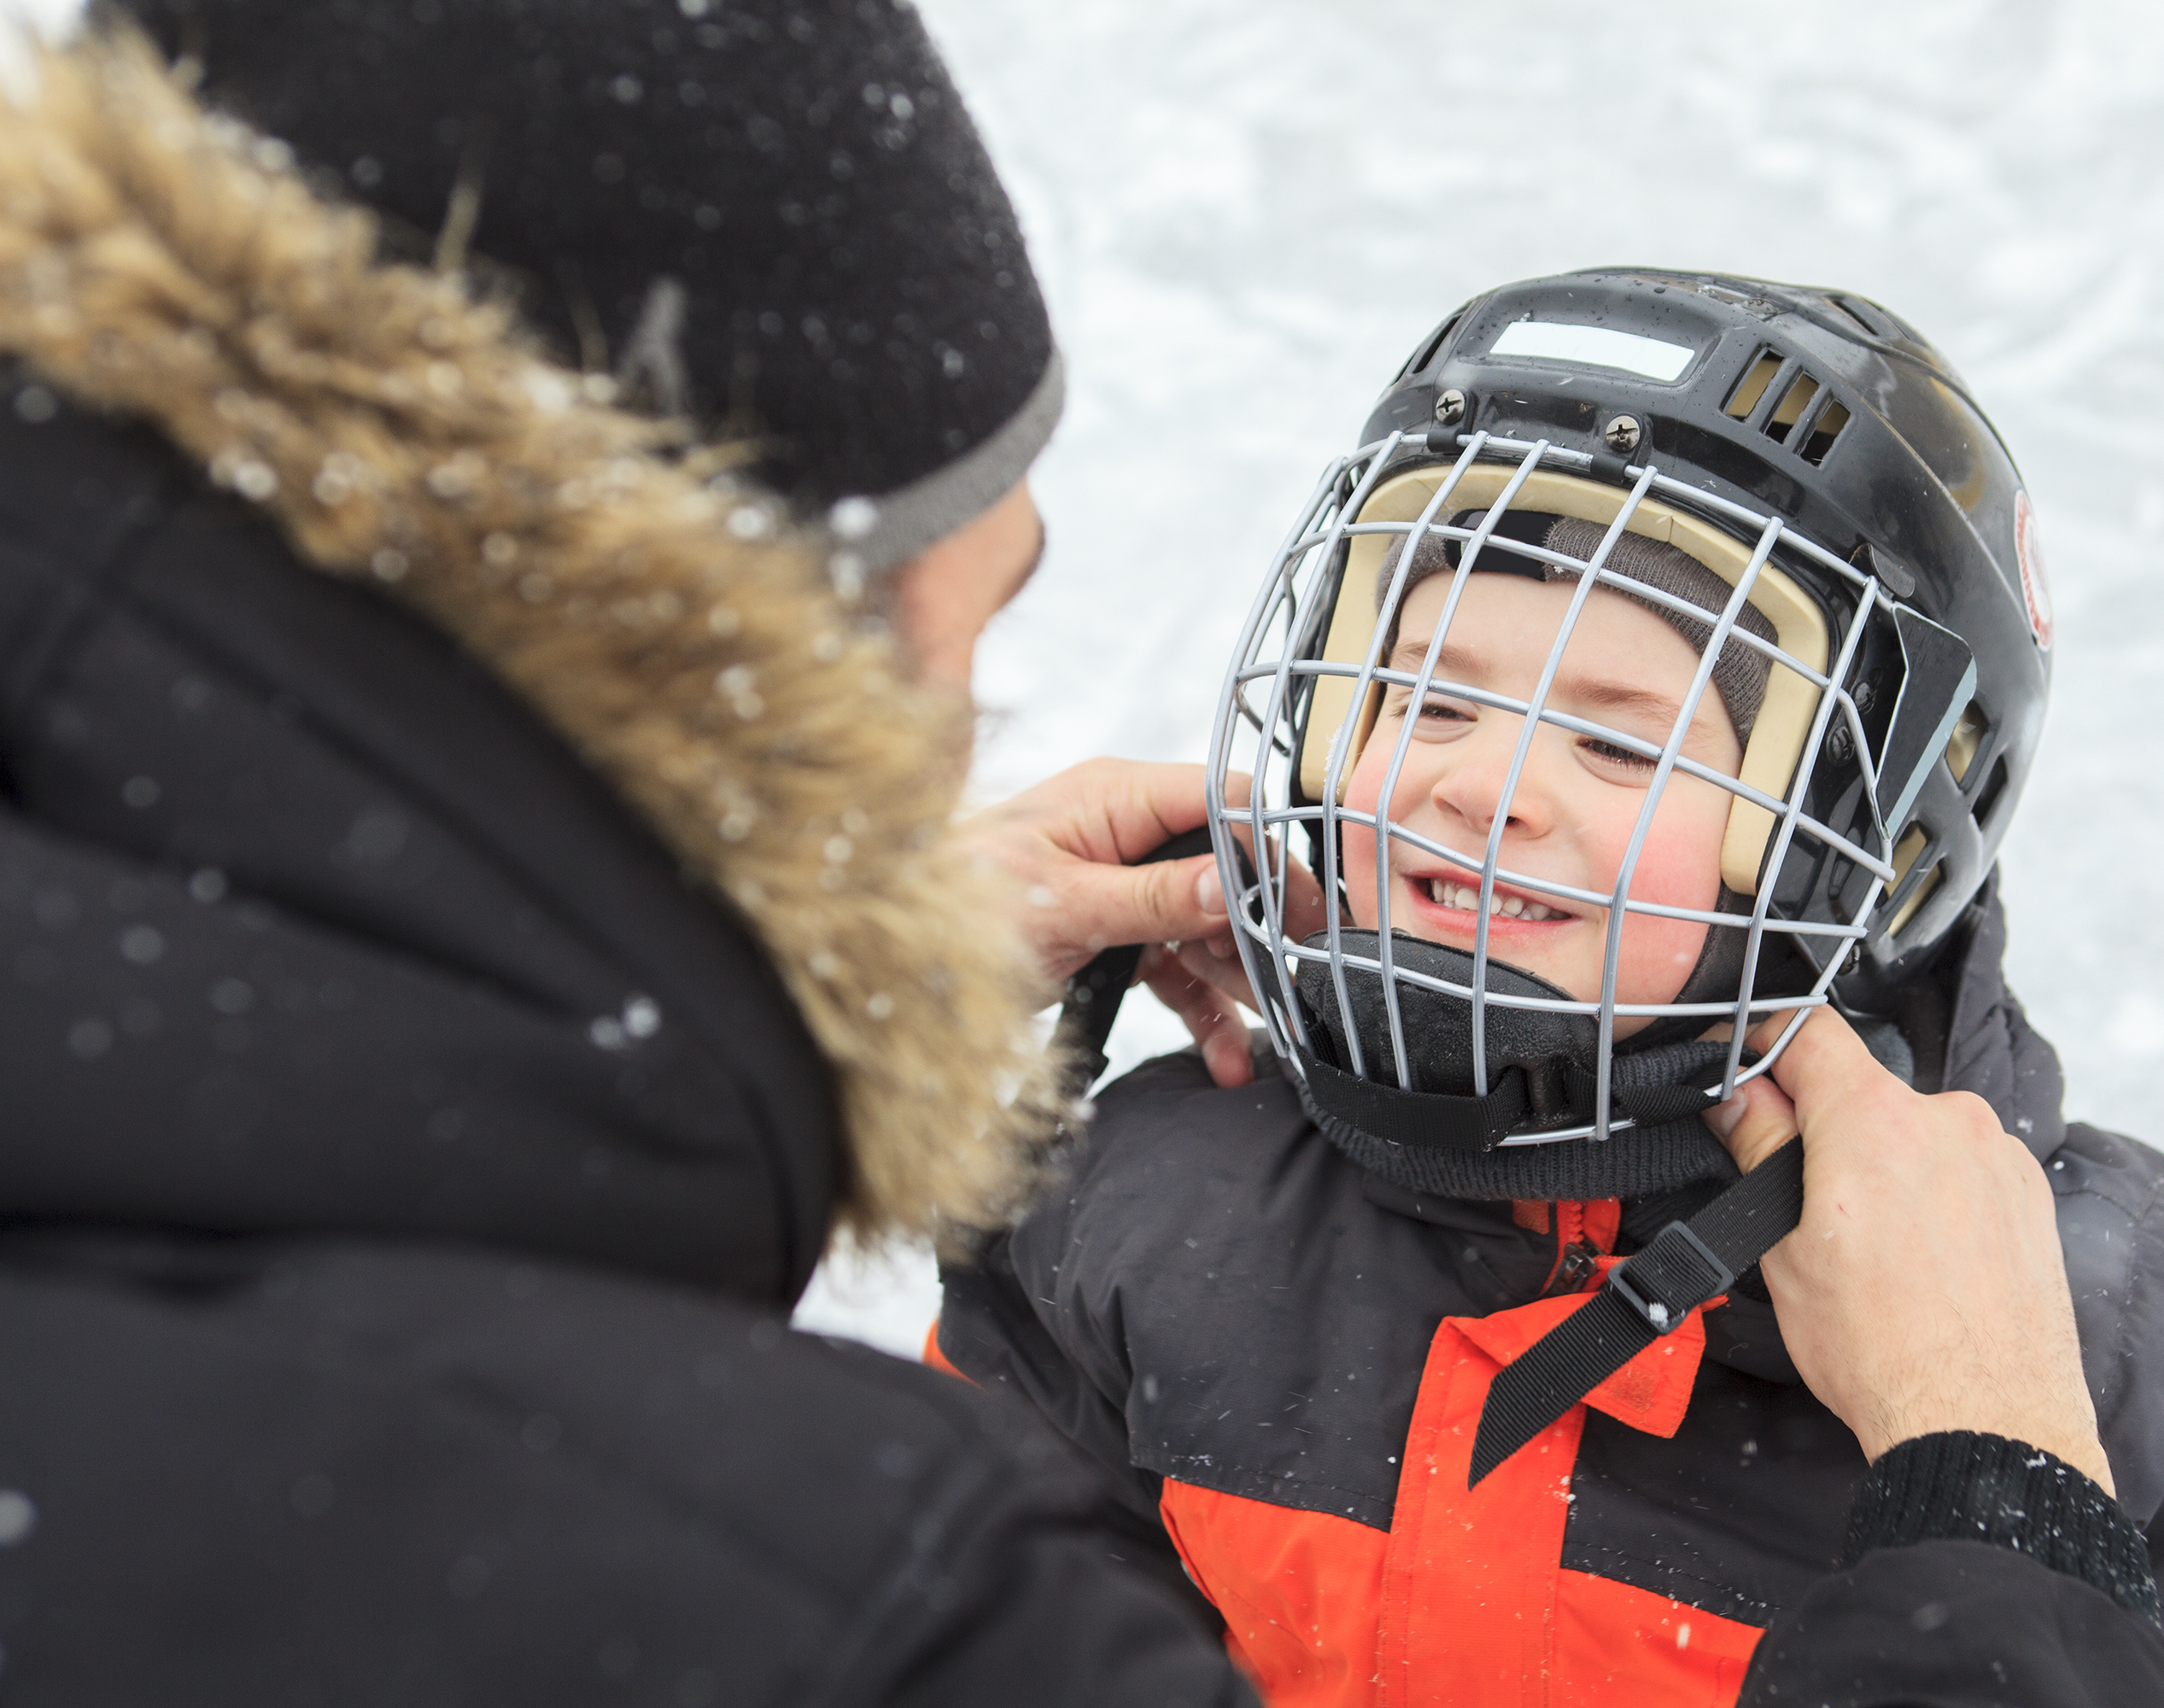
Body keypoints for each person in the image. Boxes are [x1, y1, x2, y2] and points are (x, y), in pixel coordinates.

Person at [0, 6, 1255, 1699]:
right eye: (958, 632)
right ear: (760, 653)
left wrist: (734, 996)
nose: (956, 739)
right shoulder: (877, 1617)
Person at [936, 271, 2164, 1705]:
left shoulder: (2095, 1324)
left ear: (1877, 841)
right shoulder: (1147, 1194)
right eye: (1430, 700)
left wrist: (1992, 1451)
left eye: (1626, 748)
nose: (1484, 787)